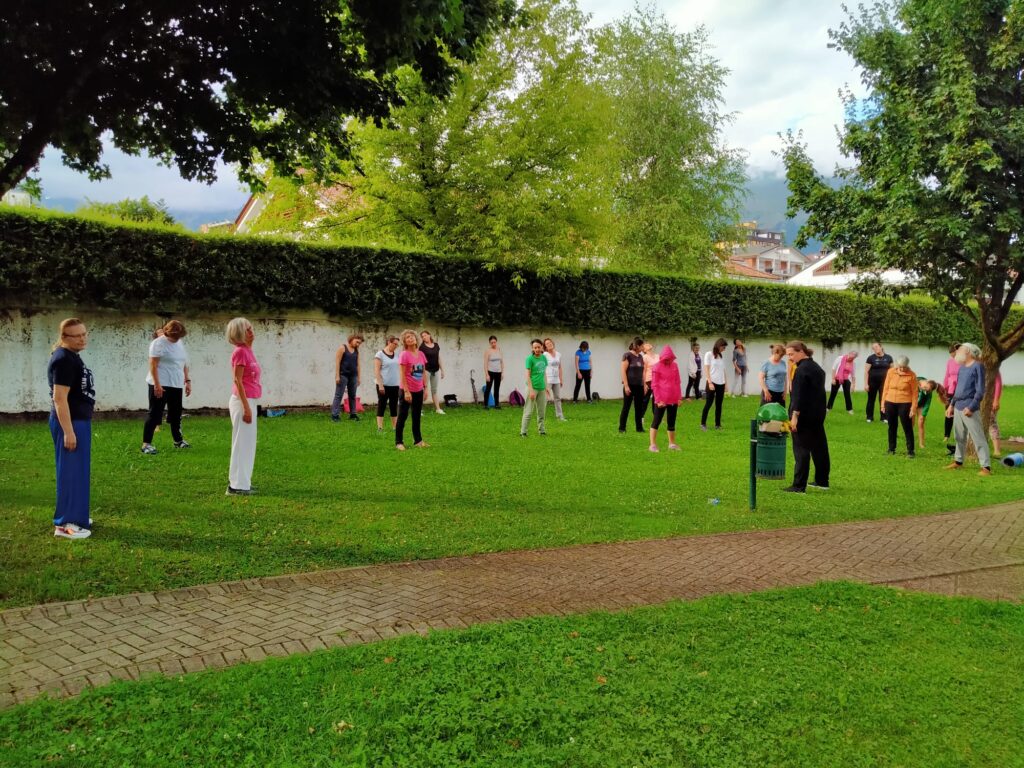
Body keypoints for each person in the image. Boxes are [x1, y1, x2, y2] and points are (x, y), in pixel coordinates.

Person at [49, 318, 95, 539]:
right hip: (70, 422)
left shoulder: (72, 357)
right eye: (77, 335)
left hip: (79, 421)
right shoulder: (63, 360)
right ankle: (64, 524)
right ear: (64, 338)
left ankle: (77, 518)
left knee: (79, 472)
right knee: (70, 472)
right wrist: (68, 431)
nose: (82, 338)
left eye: (84, 334)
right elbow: (59, 399)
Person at [783, 341, 830, 492]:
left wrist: (795, 416)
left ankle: (798, 485)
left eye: (791, 354)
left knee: (801, 449)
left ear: (801, 351)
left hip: (803, 415)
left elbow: (798, 395)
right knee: (819, 447)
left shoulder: (801, 370)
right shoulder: (817, 368)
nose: (790, 358)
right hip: (817, 415)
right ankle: (822, 481)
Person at [140, 319, 192, 454]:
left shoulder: (179, 342)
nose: (176, 339)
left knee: (176, 414)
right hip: (160, 383)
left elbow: (184, 363)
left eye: (179, 336)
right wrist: (157, 384)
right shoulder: (158, 344)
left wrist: (187, 380)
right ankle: (146, 444)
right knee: (155, 414)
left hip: (176, 383)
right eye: (174, 336)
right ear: (168, 333)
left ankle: (178, 441)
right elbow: (153, 365)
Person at [226, 317, 262, 495]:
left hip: (249, 400)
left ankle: (243, 482)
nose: (251, 332)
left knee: (247, 444)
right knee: (242, 443)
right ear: (240, 333)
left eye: (251, 328)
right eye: (248, 330)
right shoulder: (240, 351)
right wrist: (247, 408)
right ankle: (236, 486)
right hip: (242, 401)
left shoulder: (248, 350)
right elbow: (238, 381)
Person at [945, 343, 991, 475]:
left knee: (978, 437)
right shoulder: (962, 368)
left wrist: (972, 407)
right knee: (959, 436)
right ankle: (958, 461)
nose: (957, 351)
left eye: (961, 349)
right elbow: (958, 389)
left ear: (969, 352)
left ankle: (986, 467)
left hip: (969, 407)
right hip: (958, 406)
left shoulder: (978, 366)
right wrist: (951, 405)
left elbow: (980, 390)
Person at [396, 330, 429, 450]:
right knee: (402, 416)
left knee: (416, 416)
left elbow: (423, 372)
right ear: (405, 342)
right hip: (406, 391)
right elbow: (402, 374)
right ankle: (399, 442)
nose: (410, 338)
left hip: (419, 390)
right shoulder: (404, 354)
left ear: (416, 339)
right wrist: (406, 391)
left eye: (412, 336)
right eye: (407, 338)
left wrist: (425, 388)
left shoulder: (421, 354)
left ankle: (418, 441)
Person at [881, 355, 918, 457]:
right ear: (897, 365)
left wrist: (913, 408)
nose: (902, 369)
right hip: (890, 401)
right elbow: (886, 387)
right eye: (900, 366)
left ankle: (910, 451)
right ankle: (891, 449)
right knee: (892, 427)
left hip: (905, 402)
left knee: (907, 427)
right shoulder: (891, 372)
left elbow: (915, 393)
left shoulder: (912, 375)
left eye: (904, 367)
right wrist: (883, 404)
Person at [648, 345, 682, 453]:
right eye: (666, 359)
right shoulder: (656, 367)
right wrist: (658, 400)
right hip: (661, 399)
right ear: (663, 358)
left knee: (671, 422)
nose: (668, 361)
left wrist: (679, 397)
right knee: (656, 421)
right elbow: (654, 385)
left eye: (670, 359)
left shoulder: (675, 366)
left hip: (673, 399)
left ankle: (672, 444)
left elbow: (677, 382)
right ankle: (652, 444)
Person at [331, 333, 363, 422]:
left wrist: (359, 378)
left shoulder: (357, 351)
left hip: (353, 376)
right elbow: (337, 362)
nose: (358, 344)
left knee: (352, 395)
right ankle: (335, 415)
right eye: (357, 342)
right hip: (343, 375)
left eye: (359, 343)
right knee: (338, 395)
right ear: (352, 339)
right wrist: (337, 376)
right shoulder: (342, 348)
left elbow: (358, 365)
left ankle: (353, 414)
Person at [374, 335, 401, 433]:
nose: (396, 346)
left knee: (394, 405)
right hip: (383, 385)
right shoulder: (379, 354)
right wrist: (380, 385)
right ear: (389, 342)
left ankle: (395, 427)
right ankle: (380, 428)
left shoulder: (397, 355)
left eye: (397, 345)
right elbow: (377, 371)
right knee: (382, 405)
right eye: (395, 344)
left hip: (395, 385)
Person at [521, 339, 548, 437]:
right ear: (532, 348)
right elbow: (527, 376)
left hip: (542, 388)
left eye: (538, 347)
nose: (537, 349)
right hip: (532, 388)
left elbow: (544, 373)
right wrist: (531, 390)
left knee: (541, 411)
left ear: (542, 347)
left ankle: (542, 431)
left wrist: (547, 386)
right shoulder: (529, 359)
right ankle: (523, 432)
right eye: (535, 347)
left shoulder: (544, 358)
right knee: (528, 411)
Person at [700, 337, 728, 431]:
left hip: (721, 383)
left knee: (719, 405)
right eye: (723, 347)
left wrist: (726, 384)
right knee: (709, 403)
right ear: (719, 345)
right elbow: (706, 369)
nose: (724, 349)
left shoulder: (720, 356)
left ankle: (718, 425)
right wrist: (709, 382)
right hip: (712, 383)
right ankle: (703, 424)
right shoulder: (709, 354)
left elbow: (723, 371)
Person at [619, 337, 646, 433]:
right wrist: (626, 385)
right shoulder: (627, 355)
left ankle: (639, 428)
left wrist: (645, 384)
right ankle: (622, 428)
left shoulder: (641, 357)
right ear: (638, 346)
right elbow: (623, 371)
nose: (643, 347)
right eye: (642, 345)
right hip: (630, 385)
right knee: (626, 407)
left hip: (639, 386)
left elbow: (643, 372)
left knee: (639, 408)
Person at [863, 342, 893, 422]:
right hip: (872, 382)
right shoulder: (870, 358)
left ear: (881, 347)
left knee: (883, 399)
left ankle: (884, 417)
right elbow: (866, 372)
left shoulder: (889, 358)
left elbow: (893, 371)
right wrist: (866, 384)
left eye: (876, 347)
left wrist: (892, 383)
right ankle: (869, 417)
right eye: (873, 348)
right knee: (871, 399)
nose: (875, 349)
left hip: (885, 383)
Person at [419, 330, 446, 415]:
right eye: (422, 336)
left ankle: (438, 409)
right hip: (426, 370)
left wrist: (442, 370)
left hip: (435, 370)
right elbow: (420, 360)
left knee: (434, 390)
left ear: (429, 335)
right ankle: (419, 410)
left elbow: (438, 358)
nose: (424, 337)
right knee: (423, 390)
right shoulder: (422, 347)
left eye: (425, 335)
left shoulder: (436, 345)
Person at [942, 343, 961, 455]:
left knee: (958, 412)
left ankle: (958, 435)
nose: (952, 356)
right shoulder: (950, 361)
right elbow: (947, 374)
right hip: (950, 388)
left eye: (953, 354)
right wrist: (945, 387)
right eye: (951, 355)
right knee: (948, 411)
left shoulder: (964, 362)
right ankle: (946, 435)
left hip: (960, 388)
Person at [543, 338, 566, 421]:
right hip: (548, 379)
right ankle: (542, 416)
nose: (549, 344)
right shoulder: (544, 355)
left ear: (553, 343)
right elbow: (543, 367)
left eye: (550, 342)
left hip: (556, 379)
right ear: (545, 347)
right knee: (545, 398)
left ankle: (560, 416)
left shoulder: (559, 354)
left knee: (557, 398)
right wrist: (544, 380)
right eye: (547, 344)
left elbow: (560, 367)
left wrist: (561, 379)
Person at [916, 379, 938, 450]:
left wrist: (923, 414)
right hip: (911, 403)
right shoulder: (917, 380)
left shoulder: (929, 393)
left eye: (928, 390)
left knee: (921, 422)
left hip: (920, 406)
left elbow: (927, 404)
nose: (926, 390)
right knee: (911, 422)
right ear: (927, 383)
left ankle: (921, 443)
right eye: (925, 387)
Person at [482, 335, 504, 409]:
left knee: (497, 389)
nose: (493, 344)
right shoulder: (488, 351)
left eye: (494, 342)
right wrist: (487, 374)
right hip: (490, 372)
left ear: (496, 342)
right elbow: (485, 363)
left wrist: (502, 372)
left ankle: (497, 405)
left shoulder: (499, 350)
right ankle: (485, 405)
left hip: (498, 372)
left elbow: (502, 362)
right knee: (488, 388)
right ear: (489, 343)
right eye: (492, 343)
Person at [640, 341, 659, 423]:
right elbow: (643, 371)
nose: (648, 344)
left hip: (658, 380)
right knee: (645, 399)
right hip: (649, 380)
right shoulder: (645, 357)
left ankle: (656, 417)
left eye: (648, 343)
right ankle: (641, 417)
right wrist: (644, 383)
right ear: (644, 349)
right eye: (645, 345)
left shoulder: (658, 356)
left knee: (656, 399)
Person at [990, 371, 1003, 458]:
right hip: (977, 399)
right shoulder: (975, 364)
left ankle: (997, 450)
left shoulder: (993, 366)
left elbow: (998, 383)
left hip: (991, 399)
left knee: (992, 424)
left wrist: (996, 400)